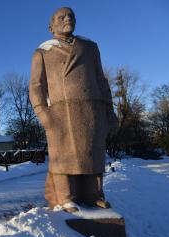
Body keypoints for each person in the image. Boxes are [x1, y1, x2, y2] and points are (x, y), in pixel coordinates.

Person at [29, 7, 118, 213]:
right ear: (51, 26)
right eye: (62, 17)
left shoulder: (90, 47)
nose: (67, 18)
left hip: (92, 109)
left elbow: (101, 80)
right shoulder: (42, 52)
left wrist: (109, 110)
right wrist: (43, 112)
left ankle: (94, 194)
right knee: (64, 157)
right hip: (60, 113)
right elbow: (36, 86)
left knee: (93, 153)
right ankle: (65, 198)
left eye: (71, 16)